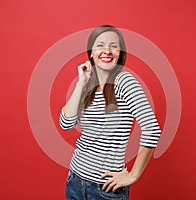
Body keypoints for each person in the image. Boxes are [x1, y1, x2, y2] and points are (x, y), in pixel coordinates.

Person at [59, 25, 161, 200]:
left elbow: (151, 129)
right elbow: (66, 124)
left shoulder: (124, 81)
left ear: (120, 53)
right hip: (74, 180)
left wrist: (133, 175)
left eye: (114, 46)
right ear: (91, 52)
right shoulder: (87, 85)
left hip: (104, 189)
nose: (107, 50)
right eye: (100, 45)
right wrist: (81, 82)